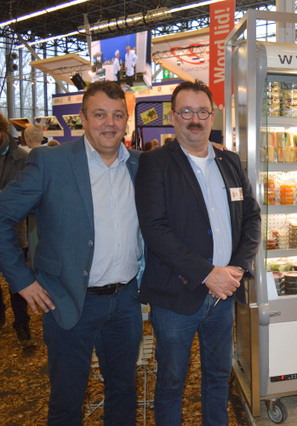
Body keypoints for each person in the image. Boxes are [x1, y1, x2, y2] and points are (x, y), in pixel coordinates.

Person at [0, 81, 143, 425]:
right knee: (67, 399)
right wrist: (22, 281)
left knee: (124, 392)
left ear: (126, 121)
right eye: (99, 114)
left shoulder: (140, 165)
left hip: (126, 302)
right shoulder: (51, 162)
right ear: (83, 118)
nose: (109, 123)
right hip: (67, 300)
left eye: (117, 115)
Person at [135, 80, 261, 425]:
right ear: (173, 117)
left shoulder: (229, 161)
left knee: (218, 376)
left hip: (224, 294)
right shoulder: (155, 164)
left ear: (212, 115)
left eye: (202, 112)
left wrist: (237, 268)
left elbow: (251, 217)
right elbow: (155, 229)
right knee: (171, 382)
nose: (195, 119)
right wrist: (208, 274)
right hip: (176, 297)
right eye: (186, 112)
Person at [0, 112, 35, 349]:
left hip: (14, 231)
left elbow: (29, 199)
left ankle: (22, 325)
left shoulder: (21, 158)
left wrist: (5, 198)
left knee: (16, 280)